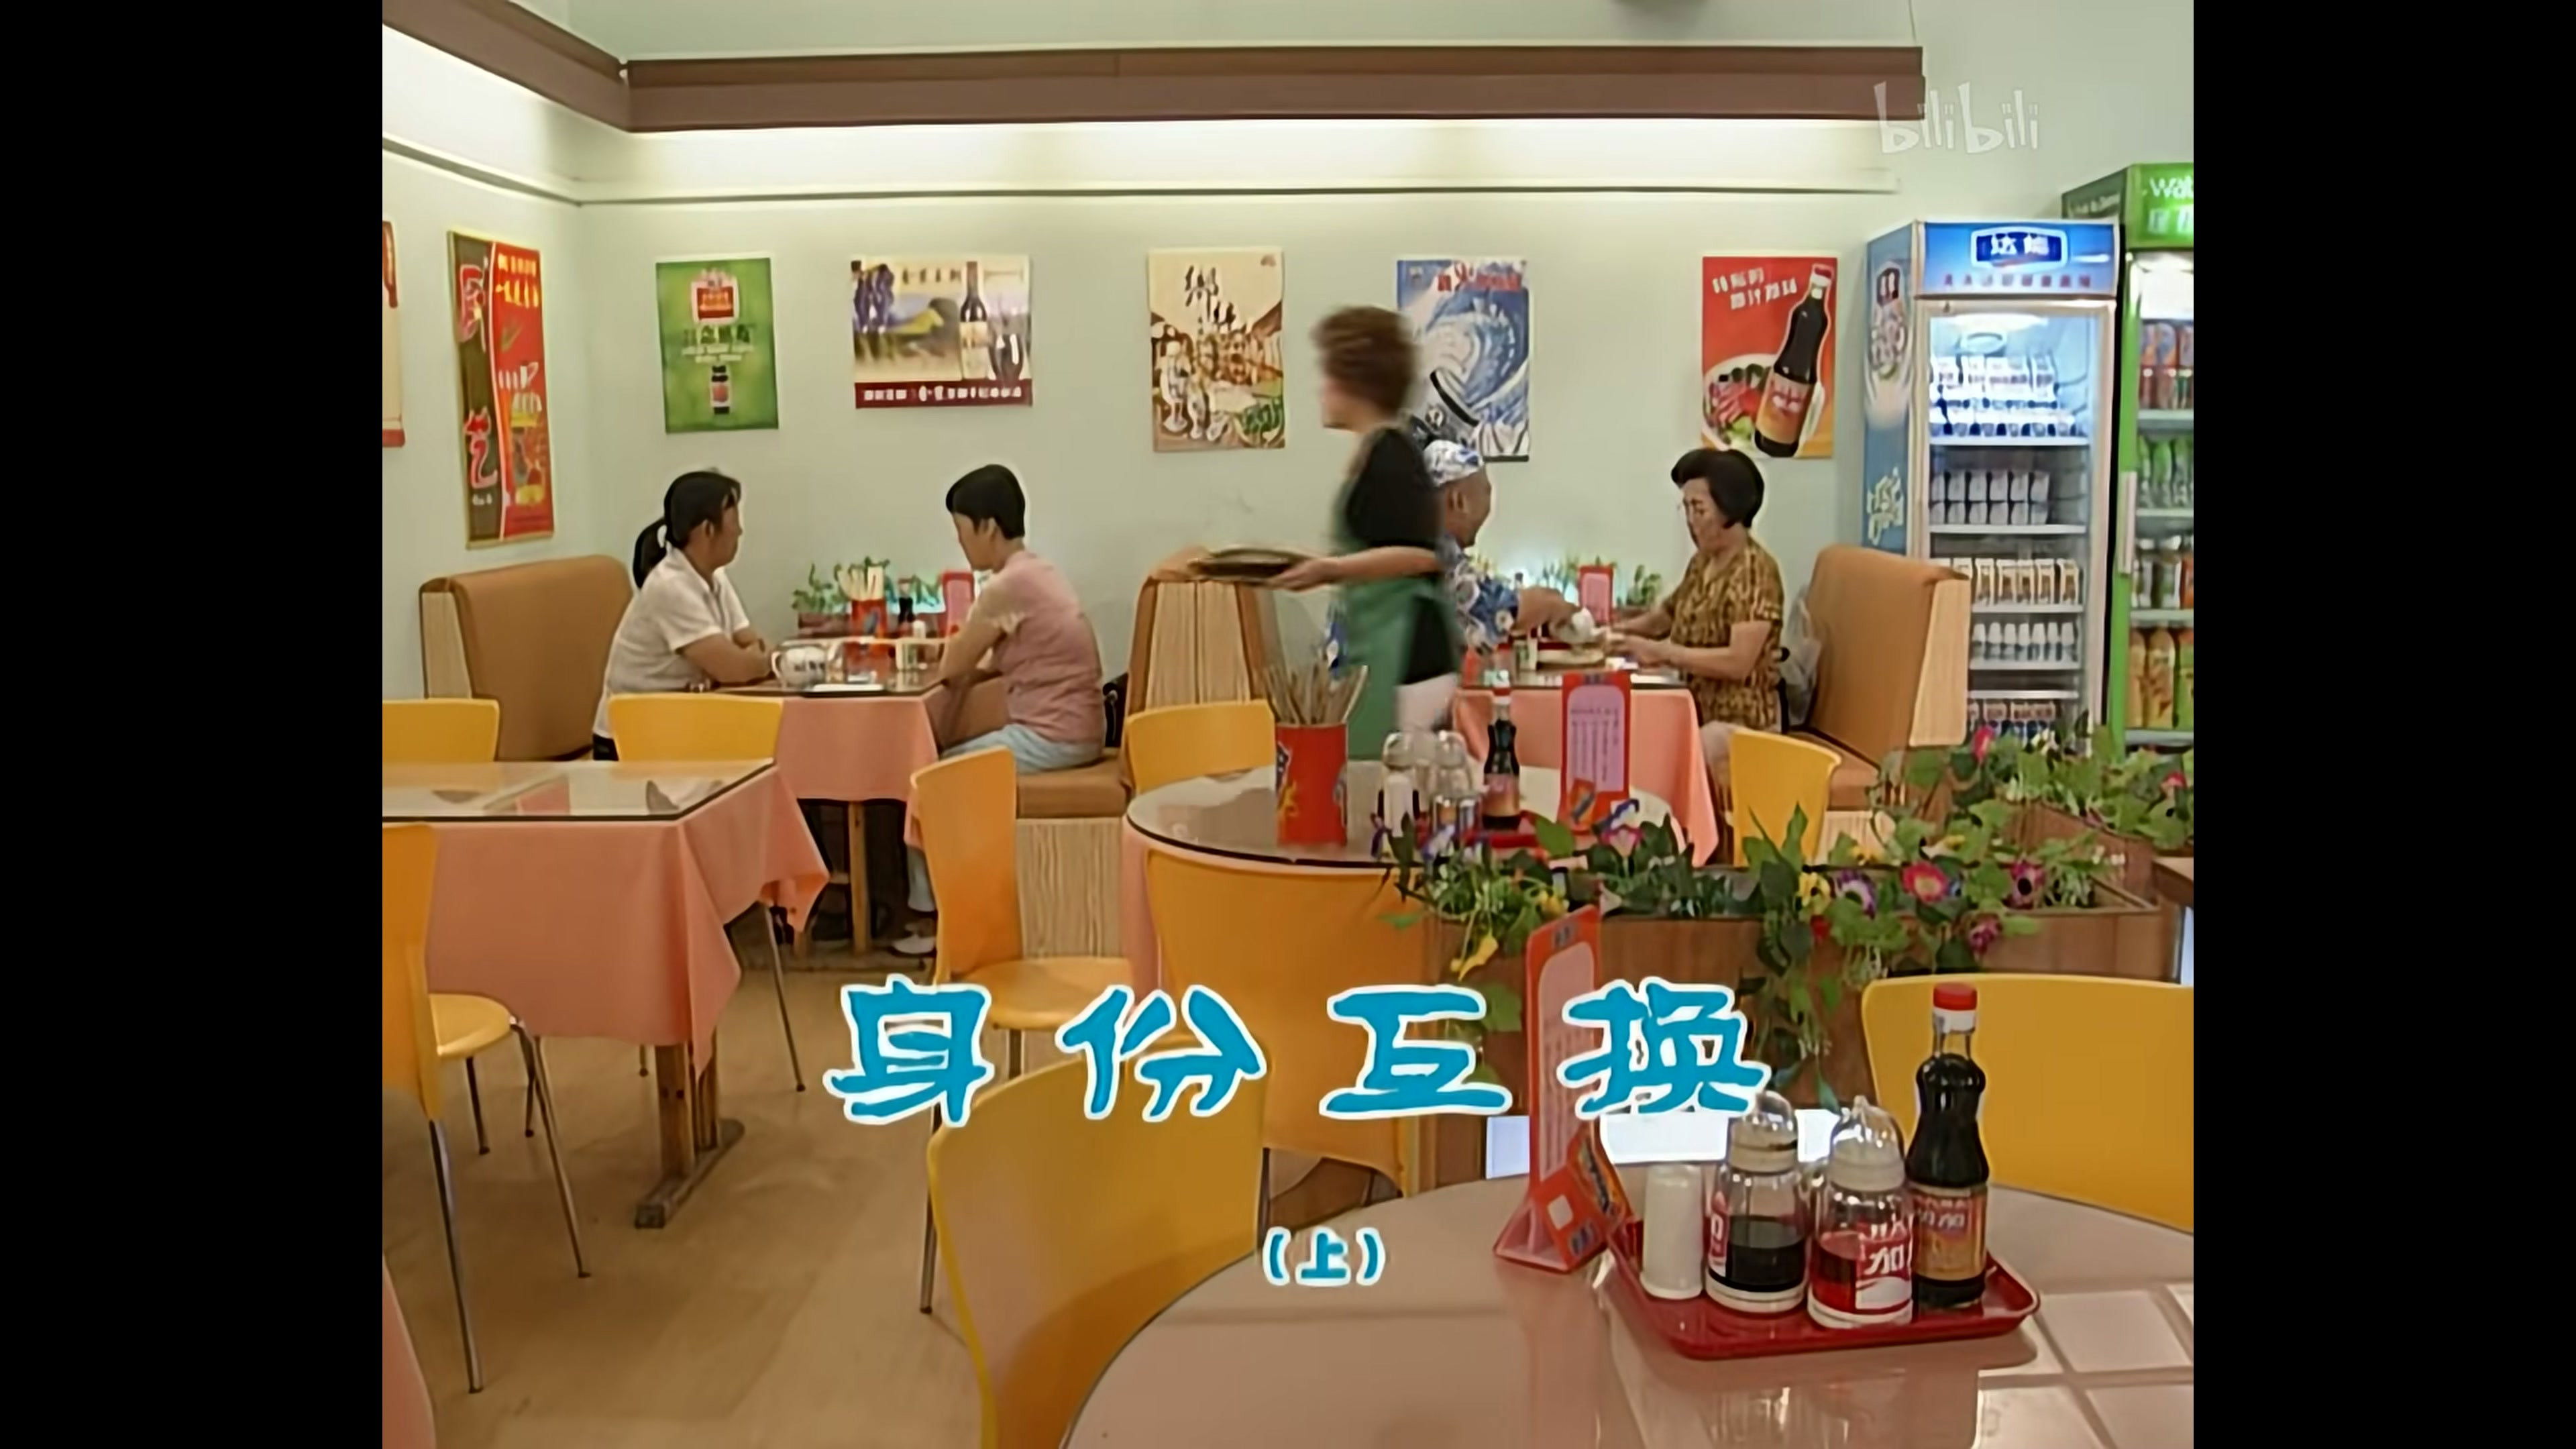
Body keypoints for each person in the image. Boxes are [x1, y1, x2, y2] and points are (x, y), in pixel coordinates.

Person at [894, 463, 1106, 957]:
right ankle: (948, 905)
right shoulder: (1040, 571)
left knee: (929, 778)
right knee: (946, 760)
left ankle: (932, 917)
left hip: (1054, 736)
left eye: (962, 532)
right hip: (1078, 727)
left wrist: (951, 654)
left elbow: (953, 667)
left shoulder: (1005, 587)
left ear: (988, 527)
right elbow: (988, 659)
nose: (962, 544)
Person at [1273, 307, 1461, 753]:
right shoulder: (1379, 449)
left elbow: (1421, 556)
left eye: (1328, 376)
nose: (1321, 390)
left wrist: (1330, 570)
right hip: (1383, 641)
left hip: (1408, 649)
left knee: (1391, 780)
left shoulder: (1392, 454)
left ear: (1354, 383)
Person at [1607, 447, 1785, 775]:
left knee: (1674, 756)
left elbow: (1738, 662)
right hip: (1693, 708)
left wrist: (1663, 653)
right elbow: (1665, 617)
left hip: (1740, 725)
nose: (1690, 520)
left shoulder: (1755, 571)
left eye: (1699, 509)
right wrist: (1612, 633)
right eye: (1686, 508)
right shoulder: (1702, 562)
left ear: (1730, 510)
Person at [592, 470, 770, 760]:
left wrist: (752, 659)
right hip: (629, 740)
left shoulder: (715, 576)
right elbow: (734, 669)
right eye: (734, 522)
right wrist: (760, 662)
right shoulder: (670, 586)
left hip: (678, 725)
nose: (739, 532)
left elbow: (751, 640)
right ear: (707, 530)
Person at [1421, 439, 1574, 657]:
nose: (1490, 503)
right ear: (1459, 501)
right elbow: (1496, 610)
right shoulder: (1439, 552)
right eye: (1486, 492)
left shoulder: (1424, 539)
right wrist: (1552, 606)